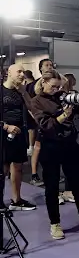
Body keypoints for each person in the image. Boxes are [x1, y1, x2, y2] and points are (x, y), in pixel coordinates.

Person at [28, 70, 79, 239]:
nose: (57, 90)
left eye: (59, 87)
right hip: (50, 146)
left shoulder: (63, 96)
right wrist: (63, 115)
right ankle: (55, 224)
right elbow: (45, 125)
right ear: (44, 83)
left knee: (78, 184)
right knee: (52, 187)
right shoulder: (36, 101)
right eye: (53, 86)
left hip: (69, 144)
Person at [2, 64, 36, 210]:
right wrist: (6, 126)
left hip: (19, 132)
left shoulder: (21, 91)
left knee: (18, 167)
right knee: (3, 169)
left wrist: (24, 92)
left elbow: (32, 107)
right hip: (3, 133)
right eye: (19, 72)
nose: (22, 74)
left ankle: (16, 200)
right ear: (9, 73)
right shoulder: (1, 90)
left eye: (23, 72)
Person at [58, 73, 79, 204]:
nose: (69, 83)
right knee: (61, 159)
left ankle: (74, 187)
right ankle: (62, 190)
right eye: (67, 81)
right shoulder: (57, 95)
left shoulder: (75, 94)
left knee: (78, 156)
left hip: (76, 128)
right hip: (62, 128)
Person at [27, 57, 55, 187]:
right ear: (41, 69)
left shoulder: (55, 84)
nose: (50, 67)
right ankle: (34, 175)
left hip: (52, 122)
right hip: (39, 120)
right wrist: (38, 119)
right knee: (37, 147)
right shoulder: (34, 85)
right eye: (47, 65)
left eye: (51, 65)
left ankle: (51, 174)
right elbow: (30, 105)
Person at [22, 70, 35, 157]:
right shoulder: (33, 85)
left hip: (30, 110)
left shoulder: (29, 86)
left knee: (31, 128)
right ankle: (30, 146)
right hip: (30, 110)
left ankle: (31, 147)